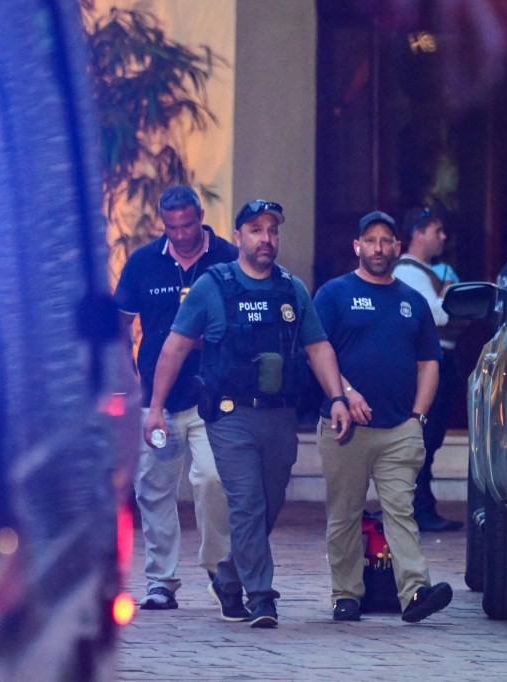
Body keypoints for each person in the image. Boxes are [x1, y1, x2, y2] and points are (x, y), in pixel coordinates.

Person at [143, 199, 351, 629]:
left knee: (270, 502)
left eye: (272, 230)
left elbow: (318, 347)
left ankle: (228, 575)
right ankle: (261, 595)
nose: (266, 238)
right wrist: (156, 408)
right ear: (237, 237)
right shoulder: (212, 286)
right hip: (229, 416)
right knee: (247, 503)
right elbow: (175, 347)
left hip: (279, 415)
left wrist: (337, 398)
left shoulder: (292, 289)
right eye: (256, 230)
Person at [314, 210, 454, 623]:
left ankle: (414, 593)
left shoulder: (412, 301)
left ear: (397, 247)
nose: (378, 248)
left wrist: (417, 417)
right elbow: (318, 353)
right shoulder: (334, 294)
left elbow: (430, 361)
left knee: (401, 511)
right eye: (370, 240)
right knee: (344, 514)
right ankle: (346, 595)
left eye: (385, 241)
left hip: (399, 429)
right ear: (357, 246)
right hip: (345, 429)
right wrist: (345, 394)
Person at [114, 184, 238, 611]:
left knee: (212, 479)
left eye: (188, 224)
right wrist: (129, 382)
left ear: (201, 215)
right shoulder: (143, 262)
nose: (181, 234)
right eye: (172, 227)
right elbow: (120, 325)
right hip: (155, 400)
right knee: (153, 489)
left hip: (212, 397)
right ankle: (160, 581)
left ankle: (219, 571)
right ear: (161, 223)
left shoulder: (226, 257)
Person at [392, 207, 464, 532]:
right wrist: (449, 298)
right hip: (425, 365)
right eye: (437, 230)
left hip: (439, 362)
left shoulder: (426, 272)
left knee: (430, 438)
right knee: (423, 436)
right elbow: (433, 316)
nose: (443, 237)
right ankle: (417, 509)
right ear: (418, 233)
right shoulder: (409, 273)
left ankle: (420, 506)